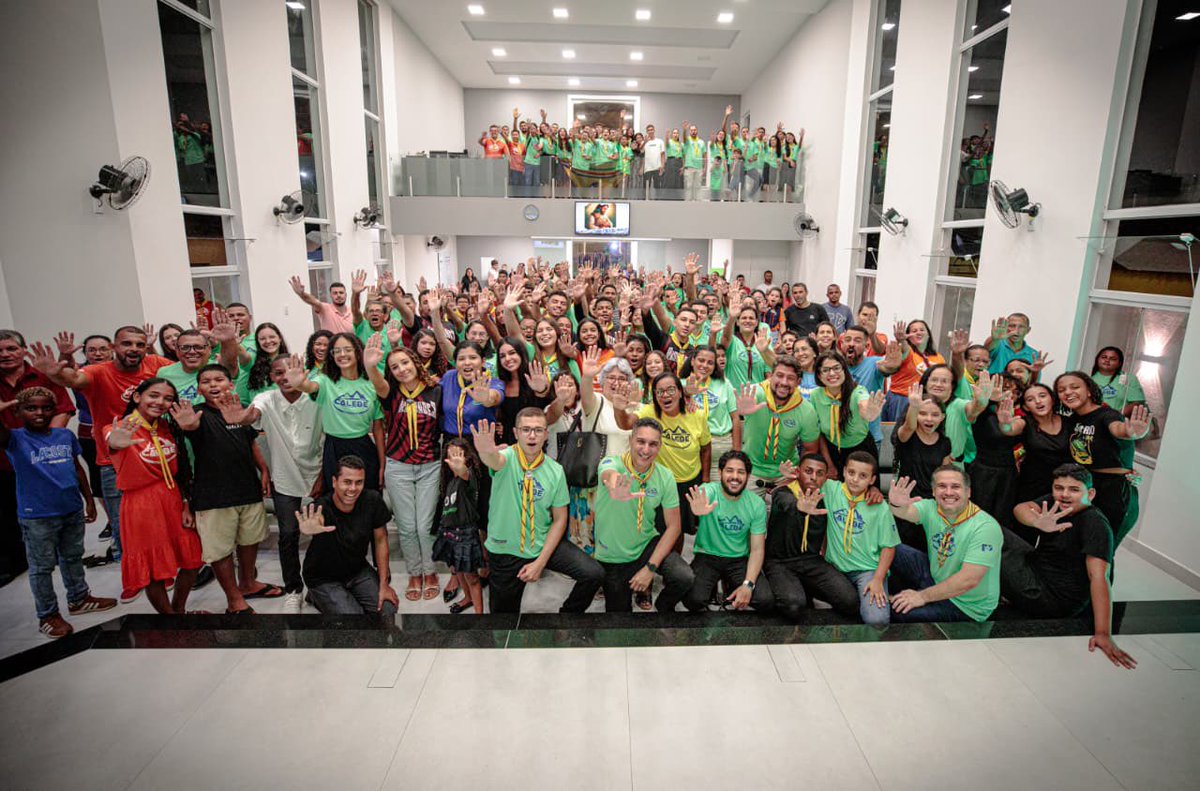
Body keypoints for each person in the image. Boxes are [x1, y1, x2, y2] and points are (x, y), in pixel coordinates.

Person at [30, 326, 172, 593]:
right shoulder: (98, 371)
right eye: (127, 343)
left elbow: (185, 372)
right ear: (114, 348)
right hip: (113, 460)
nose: (134, 349)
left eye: (139, 344)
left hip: (151, 456)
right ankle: (135, 578)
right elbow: (74, 379)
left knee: (157, 521)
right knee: (123, 524)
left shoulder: (156, 364)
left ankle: (162, 571)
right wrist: (54, 373)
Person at [211, 355, 323, 614]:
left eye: (291, 370)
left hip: (318, 474)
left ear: (303, 372)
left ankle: (319, 585)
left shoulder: (316, 397)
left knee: (323, 534)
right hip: (284, 479)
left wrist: (322, 477)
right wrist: (238, 417)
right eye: (278, 373)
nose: (285, 377)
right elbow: (251, 415)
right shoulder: (267, 398)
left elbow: (329, 436)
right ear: (272, 377)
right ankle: (294, 590)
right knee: (288, 535)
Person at [0, 388, 113, 637]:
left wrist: (89, 500)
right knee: (41, 567)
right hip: (38, 514)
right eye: (31, 408)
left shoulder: (64, 435)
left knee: (72, 556)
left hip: (70, 508)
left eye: (46, 407)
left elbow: (77, 468)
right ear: (18, 411)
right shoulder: (15, 439)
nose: (39, 413)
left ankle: (79, 598)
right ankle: (48, 614)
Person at [171, 365, 279, 614]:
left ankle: (248, 583)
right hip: (213, 495)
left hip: (247, 488)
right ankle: (233, 599)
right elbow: (191, 431)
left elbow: (251, 442)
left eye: (218, 379)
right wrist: (187, 427)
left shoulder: (238, 409)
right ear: (199, 388)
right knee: (220, 549)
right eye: (206, 381)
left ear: (230, 384)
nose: (213, 384)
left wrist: (263, 470)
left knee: (250, 539)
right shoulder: (195, 415)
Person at [472, 411, 603, 614]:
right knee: (503, 619)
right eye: (526, 429)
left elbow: (560, 519)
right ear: (516, 433)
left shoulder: (555, 470)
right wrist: (485, 451)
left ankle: (567, 616)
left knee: (593, 574)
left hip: (541, 543)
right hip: (506, 551)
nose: (532, 435)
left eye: (538, 430)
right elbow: (493, 459)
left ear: (545, 434)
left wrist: (540, 563)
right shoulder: (507, 457)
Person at [1007, 464, 1136, 668]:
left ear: (1090, 494)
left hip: (1052, 599)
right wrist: (1037, 521)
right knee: (992, 530)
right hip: (1038, 570)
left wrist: (1103, 633)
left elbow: (1099, 577)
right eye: (1059, 488)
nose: (1065, 494)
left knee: (991, 538)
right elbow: (1020, 508)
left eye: (1074, 490)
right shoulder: (1056, 503)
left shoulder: (1095, 525)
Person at [102, 379, 203, 615]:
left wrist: (185, 502)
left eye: (168, 398)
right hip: (141, 505)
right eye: (153, 395)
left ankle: (179, 610)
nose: (160, 402)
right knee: (153, 569)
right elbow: (112, 441)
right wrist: (115, 442)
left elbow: (180, 470)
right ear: (137, 397)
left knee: (193, 559)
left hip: (173, 498)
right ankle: (169, 620)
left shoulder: (167, 427)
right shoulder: (118, 427)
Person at [367, 343, 443, 603]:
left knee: (424, 526)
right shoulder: (390, 393)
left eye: (405, 363)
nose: (401, 369)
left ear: (415, 363)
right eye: (394, 367)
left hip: (430, 466)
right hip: (398, 466)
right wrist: (371, 365)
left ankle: (430, 571)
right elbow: (377, 381)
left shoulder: (435, 391)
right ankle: (414, 573)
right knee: (407, 527)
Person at [593, 418, 694, 612]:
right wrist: (614, 485)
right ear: (630, 440)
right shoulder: (610, 462)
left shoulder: (665, 476)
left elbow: (674, 527)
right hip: (613, 555)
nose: (646, 450)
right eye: (641, 441)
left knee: (684, 577)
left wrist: (650, 568)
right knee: (619, 617)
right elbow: (608, 474)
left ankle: (663, 609)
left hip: (646, 544)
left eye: (653, 444)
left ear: (660, 446)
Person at [0, 330, 75, 586]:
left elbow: (63, 409)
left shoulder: (43, 375)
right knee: (8, 517)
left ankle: (56, 560)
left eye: (11, 348)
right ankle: (16, 563)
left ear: (23, 350)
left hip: (43, 462)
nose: (5, 354)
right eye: (0, 350)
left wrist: (44, 444)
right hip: (4, 462)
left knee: (52, 518)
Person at [791, 451, 898, 624]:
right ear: (844, 471)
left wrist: (878, 579)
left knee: (877, 620)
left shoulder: (880, 507)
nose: (855, 479)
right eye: (851, 473)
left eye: (863, 476)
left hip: (866, 570)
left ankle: (872, 597)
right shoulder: (831, 489)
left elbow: (889, 547)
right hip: (834, 567)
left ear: (872, 480)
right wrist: (788, 475)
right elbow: (806, 480)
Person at [886, 467, 1003, 623]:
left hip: (965, 605)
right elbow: (905, 512)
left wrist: (921, 596)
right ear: (934, 491)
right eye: (942, 486)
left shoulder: (985, 527)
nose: (948, 492)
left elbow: (968, 580)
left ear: (968, 492)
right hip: (936, 578)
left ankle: (898, 599)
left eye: (955, 486)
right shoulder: (932, 507)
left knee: (896, 612)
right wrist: (895, 504)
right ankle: (877, 590)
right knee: (890, 548)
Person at [1054, 372, 1149, 549]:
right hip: (1087, 487)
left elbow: (1117, 429)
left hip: (1114, 491)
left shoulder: (1107, 414)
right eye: (1061, 390)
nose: (1067, 392)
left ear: (1089, 391)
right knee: (1082, 547)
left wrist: (1130, 432)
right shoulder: (1072, 420)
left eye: (1075, 387)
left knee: (1102, 551)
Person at [297, 455, 398, 617]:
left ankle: (337, 597)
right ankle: (316, 596)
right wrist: (308, 527)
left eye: (359, 482)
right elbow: (314, 518)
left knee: (388, 610)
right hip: (323, 578)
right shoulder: (322, 507)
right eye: (347, 482)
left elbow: (381, 540)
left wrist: (384, 584)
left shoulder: (372, 500)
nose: (353, 488)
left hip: (357, 570)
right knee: (353, 619)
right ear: (334, 482)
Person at [283, 332, 385, 493]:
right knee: (337, 497)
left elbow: (378, 428)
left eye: (347, 349)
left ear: (358, 352)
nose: (342, 354)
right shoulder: (325, 380)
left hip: (364, 447)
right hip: (334, 447)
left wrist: (383, 463)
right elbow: (310, 387)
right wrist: (299, 384)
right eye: (337, 351)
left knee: (367, 496)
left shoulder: (371, 383)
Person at [764, 454, 856, 620]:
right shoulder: (783, 492)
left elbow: (856, 491)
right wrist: (800, 506)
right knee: (794, 605)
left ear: (825, 478)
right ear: (798, 472)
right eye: (808, 471)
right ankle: (789, 587)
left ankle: (804, 586)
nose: (813, 477)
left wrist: (874, 490)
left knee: (849, 601)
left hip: (811, 560)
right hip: (780, 562)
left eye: (819, 473)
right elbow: (786, 502)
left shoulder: (826, 496)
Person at [682, 451, 773, 611]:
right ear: (720, 473)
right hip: (708, 555)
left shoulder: (756, 504)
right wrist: (697, 508)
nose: (735, 477)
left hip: (738, 559)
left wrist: (748, 585)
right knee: (693, 600)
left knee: (764, 600)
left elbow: (757, 550)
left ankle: (731, 586)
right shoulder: (710, 491)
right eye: (729, 470)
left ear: (748, 476)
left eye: (741, 472)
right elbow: (701, 494)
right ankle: (711, 588)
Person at [637, 371, 711, 539]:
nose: (665, 395)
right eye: (659, 392)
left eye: (671, 390)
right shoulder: (649, 412)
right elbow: (626, 422)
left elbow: (706, 447)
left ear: (680, 392)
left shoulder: (697, 414)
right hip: (660, 482)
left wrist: (705, 479)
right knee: (658, 527)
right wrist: (620, 408)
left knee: (679, 530)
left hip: (689, 482)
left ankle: (674, 556)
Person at [732, 357, 819, 498]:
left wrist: (794, 475)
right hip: (751, 469)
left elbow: (810, 449)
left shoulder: (806, 410)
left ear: (798, 382)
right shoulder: (754, 394)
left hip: (786, 473)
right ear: (770, 376)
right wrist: (740, 413)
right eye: (779, 375)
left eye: (790, 378)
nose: (784, 382)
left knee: (790, 505)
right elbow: (734, 413)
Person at [891, 384, 952, 548]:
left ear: (942, 417)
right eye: (922, 413)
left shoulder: (945, 443)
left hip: (932, 504)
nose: (929, 419)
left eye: (935, 414)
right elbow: (909, 426)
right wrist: (914, 406)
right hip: (906, 500)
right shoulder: (907, 436)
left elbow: (945, 474)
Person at [809, 351, 886, 473]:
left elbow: (864, 403)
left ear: (844, 370)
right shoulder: (815, 396)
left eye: (836, 368)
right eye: (826, 370)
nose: (832, 373)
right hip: (832, 451)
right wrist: (829, 464)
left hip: (861, 450)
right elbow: (819, 434)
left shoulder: (857, 391)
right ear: (819, 375)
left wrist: (869, 412)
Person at [435, 438, 485, 614]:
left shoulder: (468, 478)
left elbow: (464, 472)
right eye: (451, 455)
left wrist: (461, 467)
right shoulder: (449, 482)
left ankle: (479, 615)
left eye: (459, 454)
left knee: (472, 577)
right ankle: (467, 598)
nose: (454, 458)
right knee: (457, 571)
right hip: (450, 534)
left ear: (467, 458)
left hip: (465, 535)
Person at [681, 346, 736, 481]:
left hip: (721, 445)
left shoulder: (724, 383)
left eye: (710, 362)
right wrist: (686, 394)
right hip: (692, 448)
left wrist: (736, 452)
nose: (705, 365)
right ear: (692, 361)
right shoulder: (680, 384)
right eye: (701, 360)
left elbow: (735, 418)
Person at [883, 319, 946, 422]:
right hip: (902, 399)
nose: (918, 333)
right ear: (908, 336)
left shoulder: (938, 358)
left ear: (928, 335)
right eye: (914, 331)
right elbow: (905, 348)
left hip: (926, 402)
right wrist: (901, 340)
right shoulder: (907, 351)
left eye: (922, 330)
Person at [289, 276, 354, 335]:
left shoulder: (353, 312)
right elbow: (313, 301)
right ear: (330, 295)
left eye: (341, 293)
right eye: (335, 293)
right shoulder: (325, 309)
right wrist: (302, 294)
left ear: (345, 295)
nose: (338, 295)